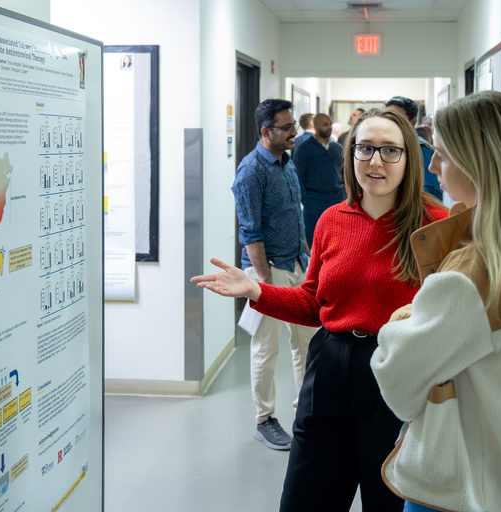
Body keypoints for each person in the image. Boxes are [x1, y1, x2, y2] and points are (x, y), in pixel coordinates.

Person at [192, 108, 448, 511]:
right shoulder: (332, 220)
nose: (375, 161)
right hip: (328, 368)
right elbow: (314, 302)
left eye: (390, 150)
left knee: (388, 502)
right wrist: (256, 290)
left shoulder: (435, 224)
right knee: (304, 499)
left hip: (397, 375)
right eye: (364, 148)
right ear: (350, 156)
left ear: (409, 158)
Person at [371, 91, 501, 512]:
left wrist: (402, 319)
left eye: (444, 155)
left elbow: (396, 380)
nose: (432, 166)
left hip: (461, 495)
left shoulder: (474, 273)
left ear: (478, 165)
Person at [228, 98, 317, 451]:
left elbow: (295, 216)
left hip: (296, 263)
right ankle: (265, 419)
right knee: (267, 347)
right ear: (266, 132)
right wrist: (263, 283)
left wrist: (307, 256)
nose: (295, 132)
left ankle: (307, 409)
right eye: (287, 127)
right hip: (267, 270)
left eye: (294, 124)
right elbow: (250, 232)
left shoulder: (286, 163)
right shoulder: (251, 171)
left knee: (308, 341)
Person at [292, 113, 345, 247]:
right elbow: (298, 177)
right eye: (325, 124)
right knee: (315, 242)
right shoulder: (304, 148)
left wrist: (345, 196)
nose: (329, 128)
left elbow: (345, 174)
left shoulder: (337, 149)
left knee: (337, 241)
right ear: (315, 126)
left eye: (330, 124)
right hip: (313, 201)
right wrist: (305, 199)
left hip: (336, 200)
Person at [385, 96, 442, 202]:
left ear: (413, 121)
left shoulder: (420, 149)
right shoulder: (387, 146)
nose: (390, 123)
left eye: (397, 118)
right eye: (387, 117)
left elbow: (433, 195)